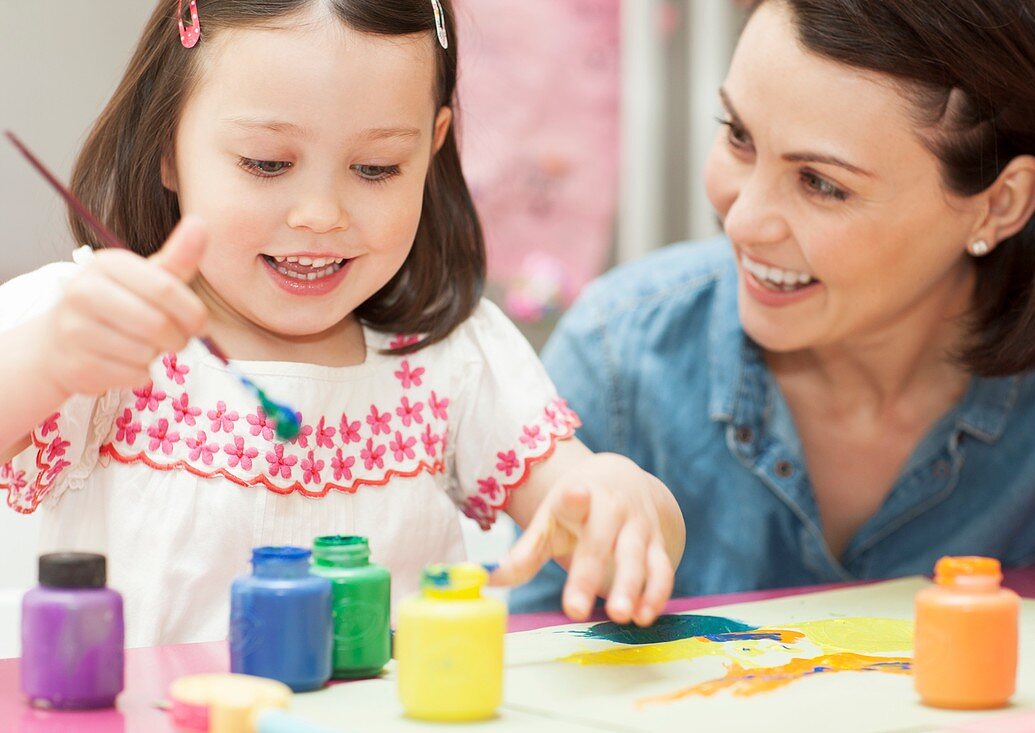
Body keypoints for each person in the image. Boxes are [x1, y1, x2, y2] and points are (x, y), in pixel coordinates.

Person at [0, 0, 684, 647]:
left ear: (434, 146)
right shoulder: (95, 323)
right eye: (267, 163)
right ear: (166, 148)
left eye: (376, 167)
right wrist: (49, 359)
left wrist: (625, 502)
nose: (321, 213)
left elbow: (585, 502)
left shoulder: (450, 355)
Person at [511, 0, 1035, 637]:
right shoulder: (616, 357)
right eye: (738, 136)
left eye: (821, 183)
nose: (741, 222)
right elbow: (526, 662)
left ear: (999, 206)